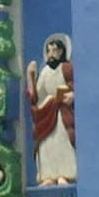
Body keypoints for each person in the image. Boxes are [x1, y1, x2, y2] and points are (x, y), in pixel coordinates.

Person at [29, 36, 76, 185]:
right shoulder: (45, 72)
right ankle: (48, 175)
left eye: (54, 50)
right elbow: (36, 95)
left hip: (61, 112)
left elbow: (73, 85)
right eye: (49, 51)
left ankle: (64, 173)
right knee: (46, 143)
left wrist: (71, 94)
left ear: (61, 51)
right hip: (47, 112)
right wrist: (31, 76)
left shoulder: (66, 68)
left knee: (62, 140)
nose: (51, 54)